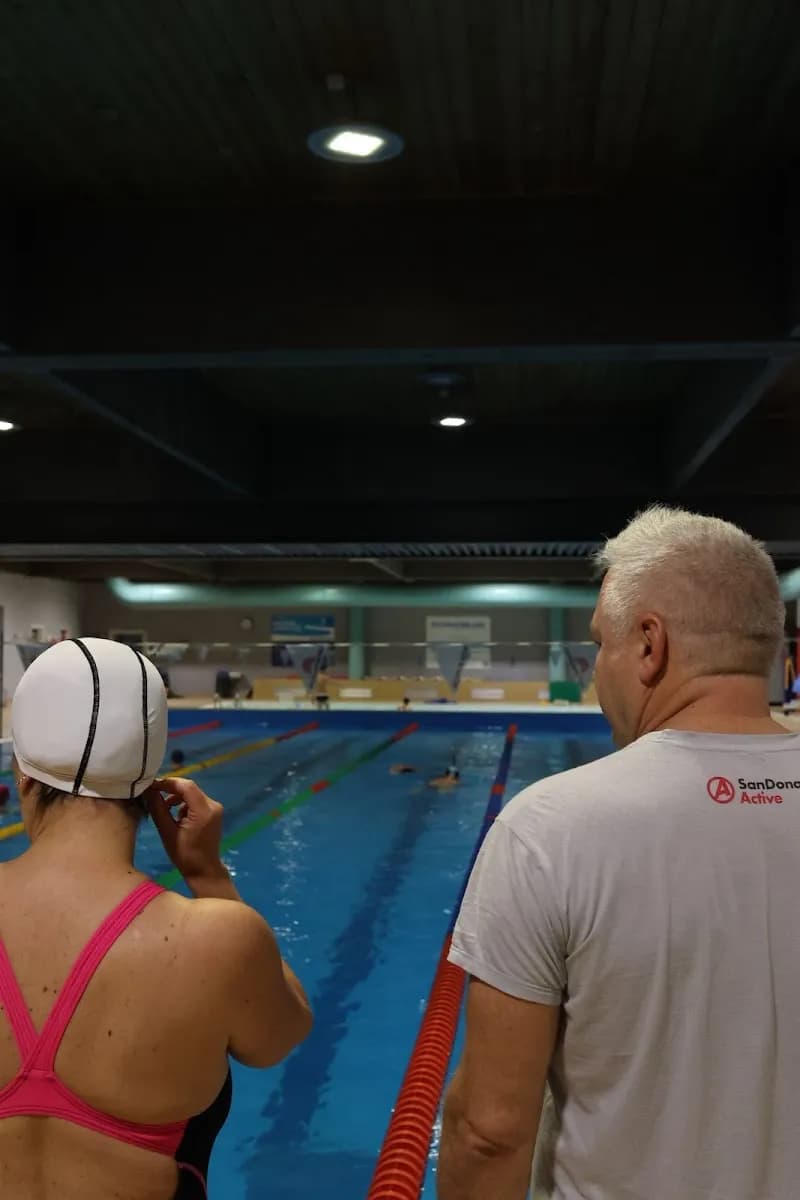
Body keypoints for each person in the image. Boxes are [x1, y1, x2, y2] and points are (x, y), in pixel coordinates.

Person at [439, 505, 798, 1200]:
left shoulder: (551, 829)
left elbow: (490, 1130)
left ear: (648, 645)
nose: (596, 670)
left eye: (599, 644)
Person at [0, 638, 312, 1200]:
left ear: (20, 772)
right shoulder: (218, 939)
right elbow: (282, 1035)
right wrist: (209, 873)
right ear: (152, 786)